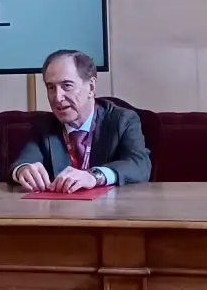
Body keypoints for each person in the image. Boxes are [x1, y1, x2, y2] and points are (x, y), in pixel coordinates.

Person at [11, 50, 150, 192]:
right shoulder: (44, 125)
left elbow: (139, 164)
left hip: (110, 210)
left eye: (67, 86)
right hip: (58, 210)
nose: (58, 97)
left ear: (91, 87)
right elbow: (22, 162)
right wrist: (23, 170)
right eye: (51, 87)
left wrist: (94, 176)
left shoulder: (122, 120)